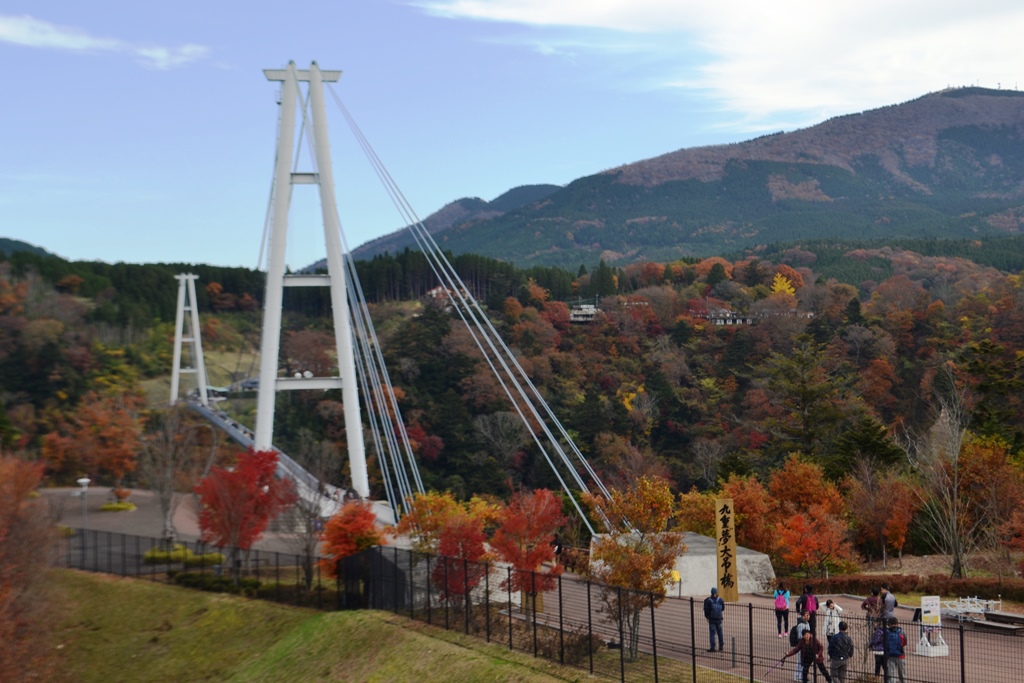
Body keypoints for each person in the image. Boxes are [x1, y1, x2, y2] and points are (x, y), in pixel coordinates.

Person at [883, 617, 906, 683]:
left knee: (891, 674)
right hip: (900, 655)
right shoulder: (901, 632)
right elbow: (904, 642)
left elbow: (884, 642)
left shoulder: (886, 632)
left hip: (890, 655)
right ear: (897, 623)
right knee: (902, 674)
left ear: (889, 624)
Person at [703, 586, 725, 652]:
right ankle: (721, 646)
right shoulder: (720, 600)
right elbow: (723, 608)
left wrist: (707, 616)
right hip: (719, 619)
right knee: (720, 632)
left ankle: (713, 647)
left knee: (712, 633)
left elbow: (706, 610)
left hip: (712, 619)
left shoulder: (708, 601)